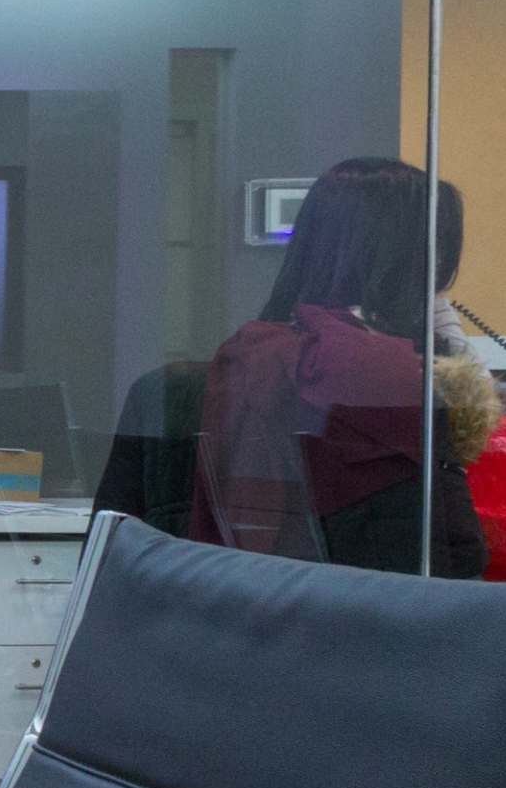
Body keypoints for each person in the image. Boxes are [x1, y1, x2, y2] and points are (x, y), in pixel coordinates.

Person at [189, 156, 486, 576]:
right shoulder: (390, 373)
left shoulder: (262, 350)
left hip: (266, 601)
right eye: (432, 260)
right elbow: (458, 555)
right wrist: (434, 320)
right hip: (376, 612)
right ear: (403, 259)